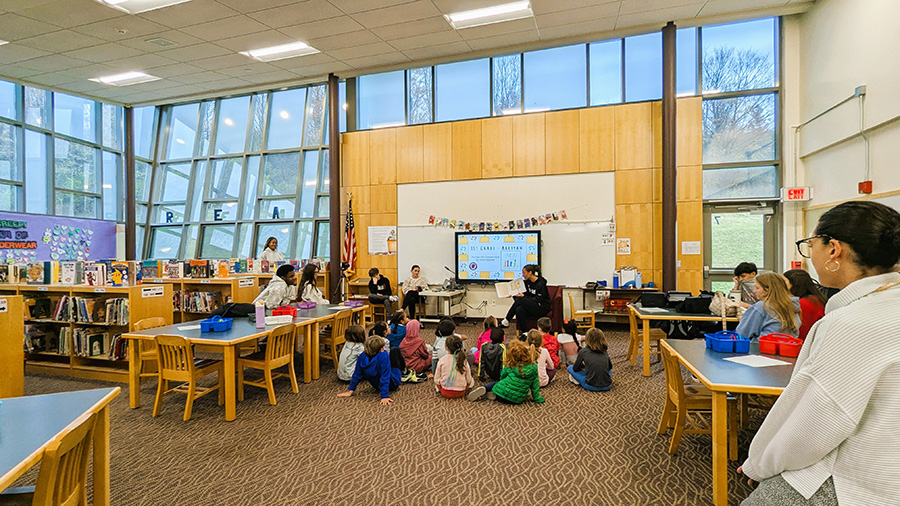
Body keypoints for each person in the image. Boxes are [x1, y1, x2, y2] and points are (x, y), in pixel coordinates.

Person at [738, 200, 900, 505]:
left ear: (833, 249)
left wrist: (759, 464)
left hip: (858, 478)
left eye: (810, 244)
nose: (810, 255)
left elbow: (817, 421)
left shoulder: (851, 322)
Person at [467, 340, 544, 404]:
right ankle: (493, 394)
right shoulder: (533, 367)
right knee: (517, 390)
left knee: (495, 384)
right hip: (518, 400)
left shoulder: (511, 364)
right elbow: (535, 385)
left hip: (502, 394)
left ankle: (486, 389)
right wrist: (537, 398)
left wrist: (502, 382)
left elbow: (502, 376)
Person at [337, 334, 401, 406]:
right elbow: (385, 377)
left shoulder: (362, 356)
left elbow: (357, 374)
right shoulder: (383, 356)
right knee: (395, 351)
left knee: (388, 364)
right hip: (393, 383)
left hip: (376, 385)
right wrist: (384, 396)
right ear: (380, 349)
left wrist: (351, 390)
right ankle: (405, 371)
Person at [734, 272, 801, 339]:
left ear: (767, 290)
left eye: (757, 288)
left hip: (761, 348)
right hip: (787, 347)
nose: (754, 291)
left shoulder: (760, 307)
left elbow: (742, 334)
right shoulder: (792, 306)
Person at [500, 264, 551, 333]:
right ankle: (525, 333)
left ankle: (507, 320)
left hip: (541, 307)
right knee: (519, 309)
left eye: (524, 273)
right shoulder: (527, 282)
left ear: (530, 273)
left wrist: (524, 297)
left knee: (520, 300)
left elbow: (539, 300)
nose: (523, 275)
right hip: (532, 306)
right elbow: (522, 293)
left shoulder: (541, 284)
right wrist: (512, 294)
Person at [783, 269, 827, 340]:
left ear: (793, 284)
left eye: (784, 281)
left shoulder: (804, 304)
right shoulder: (814, 299)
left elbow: (802, 333)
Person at [567, 328, 612, 392]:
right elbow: (610, 367)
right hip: (607, 386)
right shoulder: (604, 351)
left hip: (590, 386)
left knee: (570, 367)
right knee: (607, 370)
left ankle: (581, 379)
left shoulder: (583, 351)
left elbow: (575, 368)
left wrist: (583, 366)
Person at [433, 335, 474, 399]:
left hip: (445, 392)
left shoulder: (442, 360)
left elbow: (436, 380)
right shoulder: (463, 360)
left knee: (437, 383)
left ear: (446, 348)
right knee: (472, 380)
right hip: (461, 392)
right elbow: (468, 380)